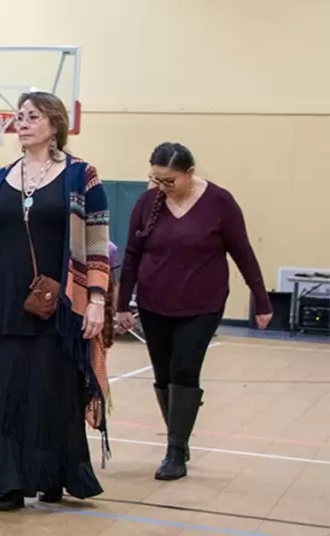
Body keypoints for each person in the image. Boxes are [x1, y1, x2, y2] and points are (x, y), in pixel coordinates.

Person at [0, 91, 111, 511]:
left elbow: (97, 243)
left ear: (54, 124)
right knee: (3, 389)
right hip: (2, 303)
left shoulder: (81, 176)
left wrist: (95, 298)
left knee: (51, 390)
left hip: (58, 306)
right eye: (19, 116)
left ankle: (52, 473)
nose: (21, 122)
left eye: (32, 116)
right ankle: (6, 480)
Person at [116, 142, 271, 481]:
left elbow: (243, 252)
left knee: (184, 369)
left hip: (202, 305)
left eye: (168, 180)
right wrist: (122, 303)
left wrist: (262, 300)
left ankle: (175, 452)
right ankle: (179, 436)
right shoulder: (147, 203)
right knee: (163, 375)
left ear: (189, 173)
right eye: (155, 179)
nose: (161, 186)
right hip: (153, 303)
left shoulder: (220, 203)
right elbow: (131, 255)